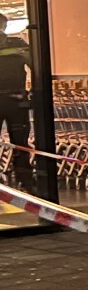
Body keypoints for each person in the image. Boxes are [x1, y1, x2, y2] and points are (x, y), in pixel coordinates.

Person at [0, 25, 31, 189]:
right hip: (16, 100)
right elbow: (34, 63)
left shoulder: (17, 44)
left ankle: (24, 177)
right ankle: (24, 178)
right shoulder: (16, 44)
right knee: (20, 142)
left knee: (20, 142)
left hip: (16, 100)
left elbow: (34, 63)